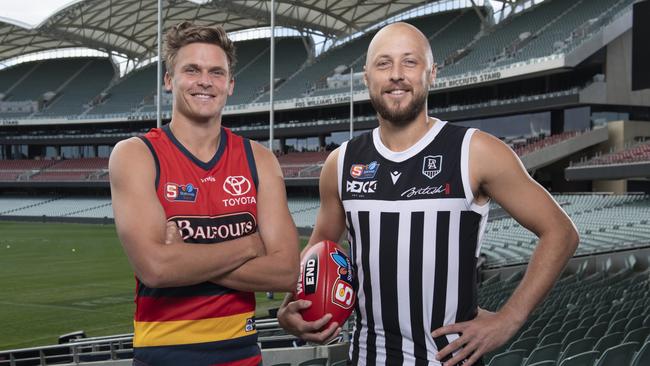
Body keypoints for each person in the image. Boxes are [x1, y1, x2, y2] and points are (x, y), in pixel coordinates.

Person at [277, 22, 578, 366]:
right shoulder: (341, 162)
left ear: (431, 73)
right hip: (365, 359)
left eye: (410, 62)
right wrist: (290, 306)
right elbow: (319, 249)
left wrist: (509, 318)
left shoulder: (474, 151)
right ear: (366, 77)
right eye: (383, 63)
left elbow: (561, 231)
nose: (396, 75)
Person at [109, 22, 299, 366]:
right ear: (169, 80)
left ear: (230, 85)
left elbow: (285, 271)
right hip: (163, 357)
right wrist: (251, 246)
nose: (204, 81)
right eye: (191, 70)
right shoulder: (135, 155)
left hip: (243, 354)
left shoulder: (259, 159)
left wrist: (184, 256)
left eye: (216, 72)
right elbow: (155, 269)